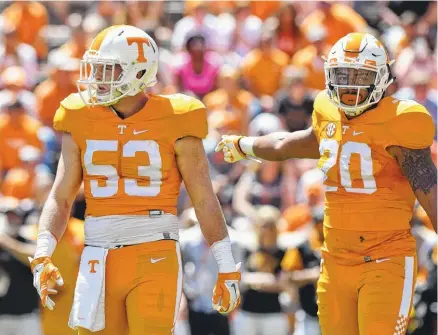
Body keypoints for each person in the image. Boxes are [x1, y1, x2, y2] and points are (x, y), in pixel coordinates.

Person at [216, 32, 437, 335]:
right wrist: (246, 145)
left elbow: (431, 192)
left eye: (360, 75)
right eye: (342, 75)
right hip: (334, 261)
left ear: (382, 77)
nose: (350, 85)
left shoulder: (402, 119)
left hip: (386, 260)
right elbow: (289, 144)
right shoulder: (326, 110)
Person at [29, 25, 241, 335]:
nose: (98, 77)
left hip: (154, 251)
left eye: (108, 69)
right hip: (98, 254)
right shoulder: (79, 115)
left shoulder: (177, 117)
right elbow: (60, 197)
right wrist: (42, 252)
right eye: (96, 68)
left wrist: (226, 265)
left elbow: (204, 199)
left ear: (139, 71)